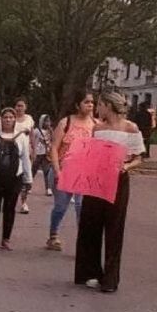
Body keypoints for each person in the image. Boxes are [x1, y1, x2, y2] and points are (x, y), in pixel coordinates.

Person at [75, 91, 144, 293]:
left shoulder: (131, 128)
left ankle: (110, 279)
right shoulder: (98, 128)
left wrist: (126, 167)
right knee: (90, 225)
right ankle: (90, 273)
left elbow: (139, 158)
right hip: (96, 179)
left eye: (100, 104)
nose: (97, 108)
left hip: (118, 180)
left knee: (114, 227)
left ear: (108, 105)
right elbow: (93, 154)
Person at [46, 90, 97, 251]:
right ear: (77, 105)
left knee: (82, 208)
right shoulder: (66, 122)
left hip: (84, 174)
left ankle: (82, 243)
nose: (90, 105)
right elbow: (54, 148)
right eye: (86, 102)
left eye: (92, 102)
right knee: (61, 206)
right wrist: (57, 171)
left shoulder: (96, 125)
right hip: (64, 171)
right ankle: (53, 235)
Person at [0, 107, 33, 250]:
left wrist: (28, 179)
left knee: (10, 208)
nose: (8, 120)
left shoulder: (21, 137)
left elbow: (25, 158)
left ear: (15, 119)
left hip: (14, 177)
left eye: (11, 117)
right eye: (5, 117)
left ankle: (6, 239)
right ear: (1, 119)